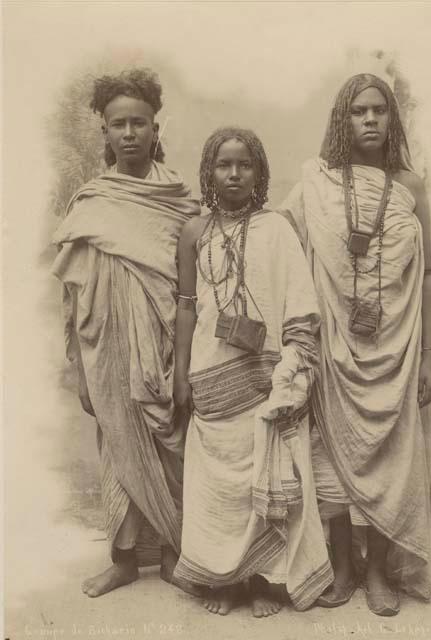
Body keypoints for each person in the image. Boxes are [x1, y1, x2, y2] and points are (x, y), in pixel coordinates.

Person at [278, 73, 431, 616]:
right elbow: (278, 237)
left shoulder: (411, 186)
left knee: (392, 459)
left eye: (379, 111)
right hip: (332, 346)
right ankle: (343, 565)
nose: (370, 120)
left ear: (392, 119)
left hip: (395, 347)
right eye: (357, 111)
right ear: (341, 120)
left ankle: (378, 572)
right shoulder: (317, 182)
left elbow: (430, 274)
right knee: (331, 457)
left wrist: (430, 356)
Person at [172, 127, 334, 617]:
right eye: (224, 164)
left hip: (267, 380)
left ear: (259, 172)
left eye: (245, 165)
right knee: (219, 484)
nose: (235, 173)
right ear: (209, 171)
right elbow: (184, 307)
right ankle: (224, 580)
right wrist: (180, 374)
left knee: (266, 476)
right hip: (212, 375)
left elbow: (300, 304)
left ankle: (264, 581)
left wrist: (290, 367)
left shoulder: (277, 228)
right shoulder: (194, 232)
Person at [52, 68, 200, 597]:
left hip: (163, 342)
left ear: (156, 128)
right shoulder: (92, 202)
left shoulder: (179, 199)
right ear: (106, 134)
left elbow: (192, 283)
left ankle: (169, 553)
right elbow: (72, 292)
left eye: (140, 123)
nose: (130, 133)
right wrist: (80, 369)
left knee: (169, 440)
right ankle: (120, 559)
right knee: (117, 445)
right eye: (120, 124)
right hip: (107, 344)